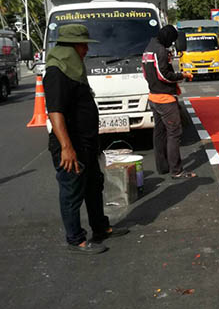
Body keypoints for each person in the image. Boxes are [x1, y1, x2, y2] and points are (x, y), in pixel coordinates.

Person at [44, 24, 129, 254]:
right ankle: (76, 239)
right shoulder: (56, 71)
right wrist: (66, 147)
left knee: (94, 186)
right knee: (72, 191)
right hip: (71, 144)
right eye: (83, 45)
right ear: (71, 46)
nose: (86, 51)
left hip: (87, 141)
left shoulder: (73, 69)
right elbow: (55, 111)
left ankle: (100, 227)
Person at [142, 24, 196, 178]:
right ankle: (177, 171)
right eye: (171, 41)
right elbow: (164, 75)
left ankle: (163, 167)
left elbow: (145, 73)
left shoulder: (148, 48)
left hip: (153, 96)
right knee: (174, 133)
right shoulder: (160, 50)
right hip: (164, 99)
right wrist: (182, 75)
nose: (171, 44)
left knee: (159, 133)